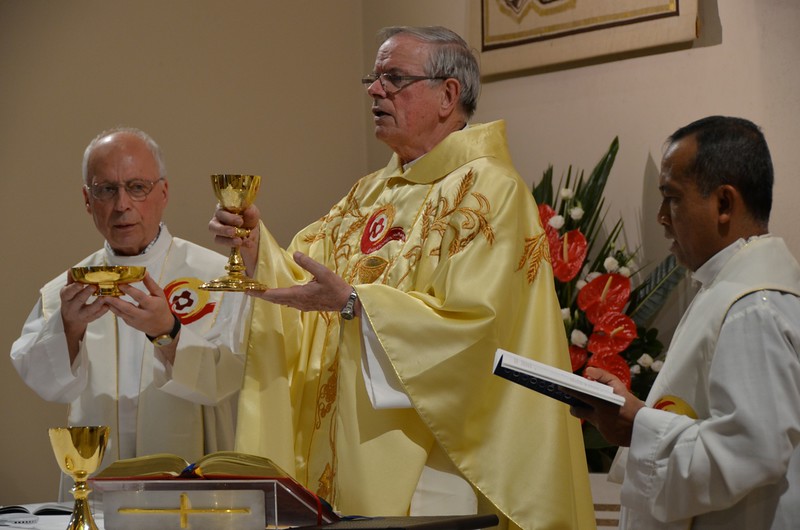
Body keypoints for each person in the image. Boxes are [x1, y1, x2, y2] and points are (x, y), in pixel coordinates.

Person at [210, 26, 595, 529]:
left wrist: (356, 304)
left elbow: (477, 328)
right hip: (343, 448)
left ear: (448, 95)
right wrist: (256, 249)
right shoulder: (369, 192)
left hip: (433, 460)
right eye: (374, 78)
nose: (375, 90)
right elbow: (308, 276)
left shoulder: (490, 191)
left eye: (394, 78)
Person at [570, 116, 800, 529]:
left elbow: (753, 450)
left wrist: (637, 426)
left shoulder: (752, 307)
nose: (662, 216)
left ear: (724, 203)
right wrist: (633, 414)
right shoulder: (728, 289)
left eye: (672, 197)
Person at [11, 127, 249, 499]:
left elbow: (232, 380)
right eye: (106, 189)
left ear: (164, 193)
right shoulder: (65, 292)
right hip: (98, 496)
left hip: (192, 498)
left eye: (137, 187)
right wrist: (68, 329)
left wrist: (169, 334)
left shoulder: (216, 278)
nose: (122, 204)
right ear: (87, 200)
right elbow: (44, 382)